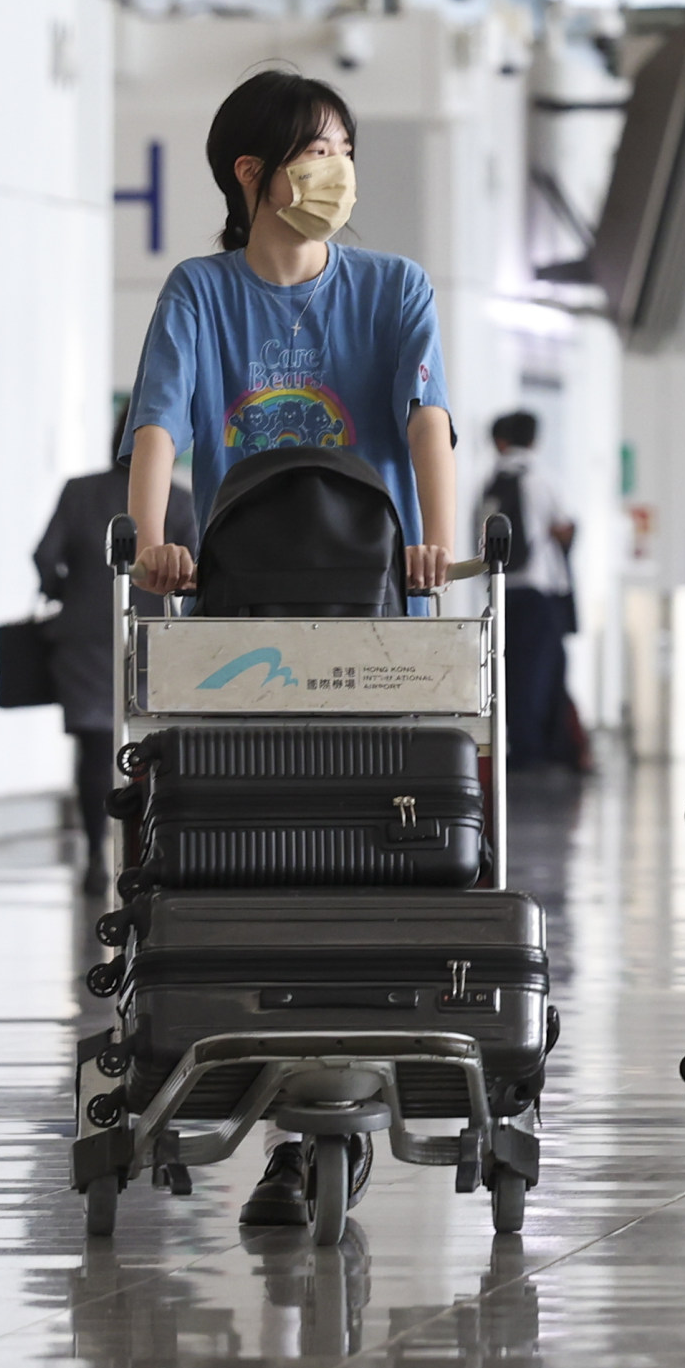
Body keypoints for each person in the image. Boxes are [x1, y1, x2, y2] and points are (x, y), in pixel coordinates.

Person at [121, 69, 467, 1234]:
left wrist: (440, 539)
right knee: (259, 863)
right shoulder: (200, 294)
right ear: (250, 174)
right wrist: (156, 535)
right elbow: (161, 418)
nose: (336, 169)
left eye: (346, 147)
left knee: (368, 866)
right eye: (312, 150)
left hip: (379, 624)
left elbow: (424, 414)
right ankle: (280, 1104)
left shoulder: (392, 288)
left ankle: (346, 1103)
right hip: (242, 629)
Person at [32, 444, 187, 889]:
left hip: (83, 635)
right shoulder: (178, 501)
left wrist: (64, 592)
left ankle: (96, 855)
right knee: (149, 742)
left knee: (95, 744)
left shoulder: (78, 492)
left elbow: (45, 555)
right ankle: (145, 849)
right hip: (152, 637)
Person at [482, 412, 583, 769]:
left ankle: (516, 744)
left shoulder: (490, 481)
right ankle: (537, 750)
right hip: (540, 593)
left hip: (502, 591)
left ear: (500, 442)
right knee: (542, 672)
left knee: (508, 671)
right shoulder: (542, 478)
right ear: (534, 441)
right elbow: (565, 527)